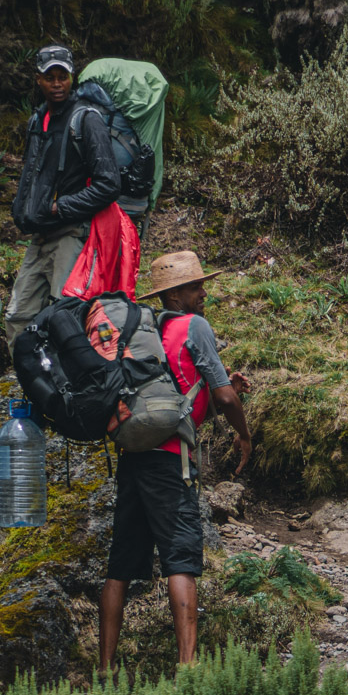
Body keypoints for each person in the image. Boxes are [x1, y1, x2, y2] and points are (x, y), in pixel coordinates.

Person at [99, 251, 253, 670]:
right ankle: (188, 669)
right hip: (171, 462)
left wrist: (222, 389)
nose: (203, 293)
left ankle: (105, 668)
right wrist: (243, 433)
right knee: (181, 559)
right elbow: (223, 396)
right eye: (194, 287)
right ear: (175, 295)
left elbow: (176, 394)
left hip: (133, 456)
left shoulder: (144, 330)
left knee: (119, 567)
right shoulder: (195, 326)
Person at [6, 44, 120, 340]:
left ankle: (70, 384)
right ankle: (33, 384)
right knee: (18, 318)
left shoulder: (86, 119)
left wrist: (62, 207)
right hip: (39, 236)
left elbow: (109, 184)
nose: (57, 83)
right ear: (38, 80)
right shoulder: (37, 121)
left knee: (65, 318)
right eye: (50, 77)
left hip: (71, 236)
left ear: (72, 78)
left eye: (63, 76)